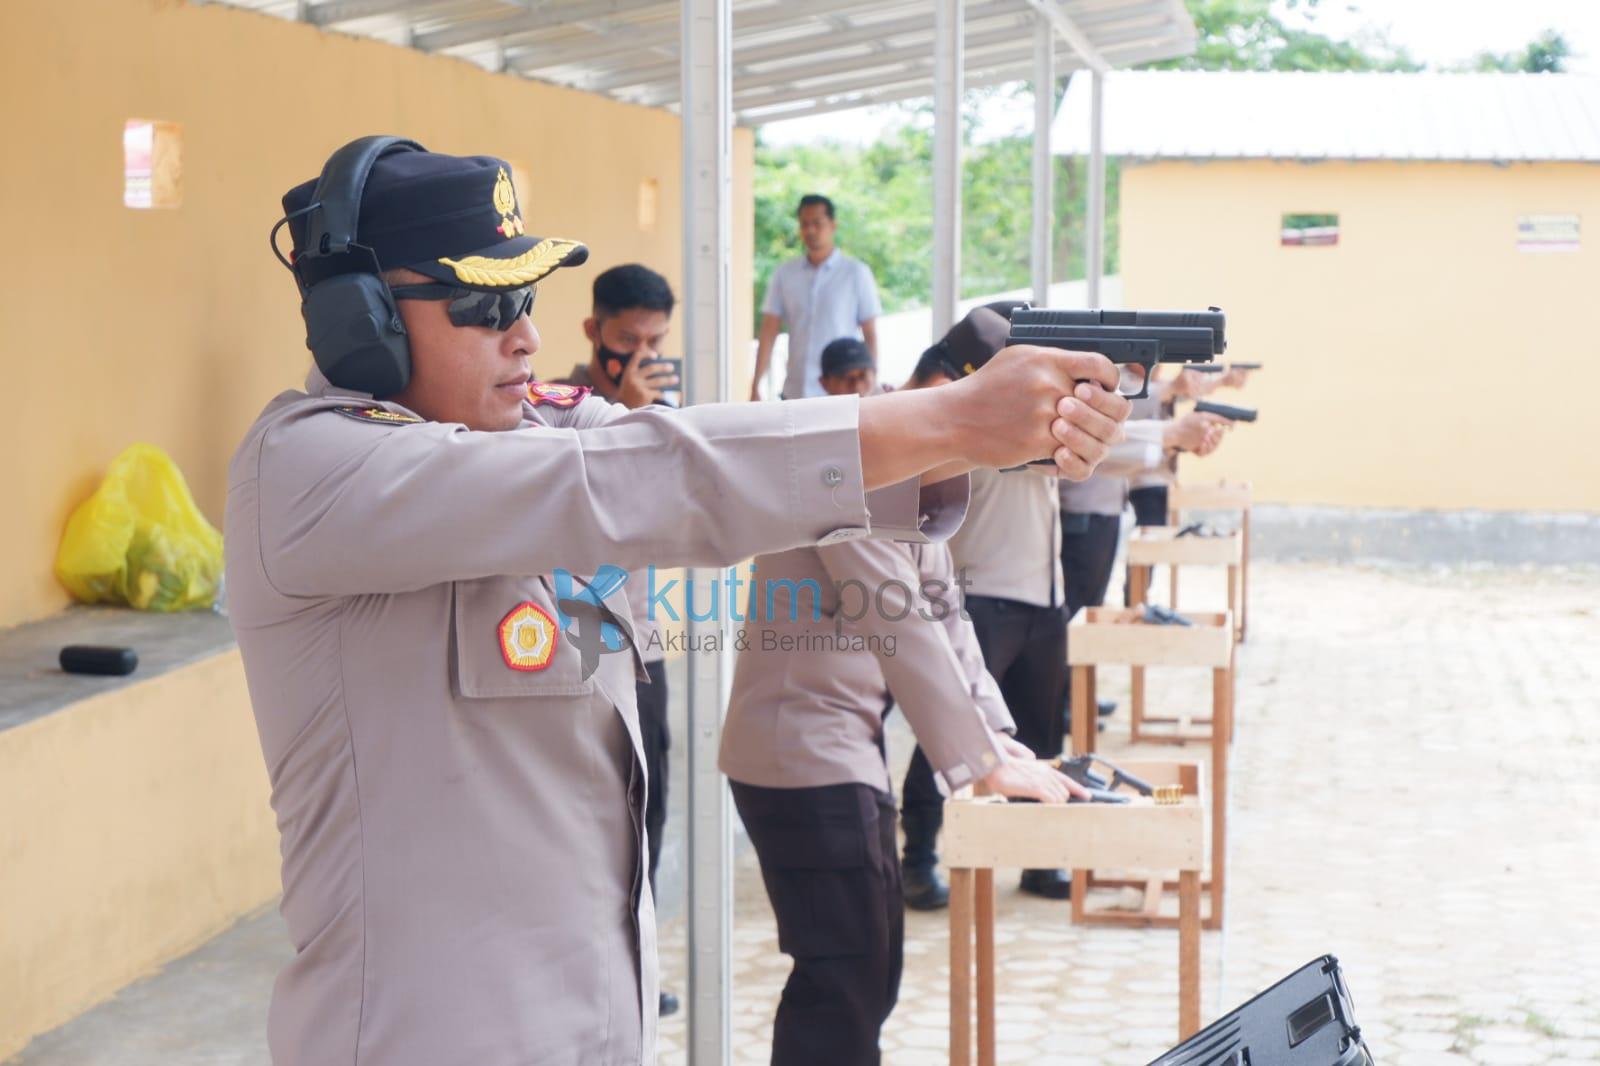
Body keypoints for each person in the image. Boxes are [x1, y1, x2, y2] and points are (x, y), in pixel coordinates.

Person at [226, 137, 1131, 1066]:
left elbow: (697, 456)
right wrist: (953, 417)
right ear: (361, 320)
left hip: (596, 1024)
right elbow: (641, 479)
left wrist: (989, 438)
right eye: (482, 303)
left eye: (526, 299)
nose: (525, 334)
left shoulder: (531, 428)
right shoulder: (310, 470)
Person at [719, 366, 1086, 1066]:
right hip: (798, 754)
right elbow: (901, 620)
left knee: (871, 972)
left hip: (838, 753)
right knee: (844, 980)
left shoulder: (921, 466)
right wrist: (978, 763)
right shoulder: (851, 462)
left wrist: (1001, 745)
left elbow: (947, 614)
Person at [555, 262, 683, 1017]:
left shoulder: (656, 409)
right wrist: (630, 423)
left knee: (647, 810)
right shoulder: (554, 406)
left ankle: (639, 968)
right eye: (624, 340)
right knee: (585, 816)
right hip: (579, 641)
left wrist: (647, 418)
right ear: (592, 332)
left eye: (654, 341)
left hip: (644, 643)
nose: (637, 356)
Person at [751, 194, 882, 401]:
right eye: (804, 224)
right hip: (796, 389)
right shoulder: (785, 274)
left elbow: (870, 334)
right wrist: (755, 384)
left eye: (817, 223)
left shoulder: (855, 273)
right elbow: (769, 330)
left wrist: (871, 384)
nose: (810, 230)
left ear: (833, 225)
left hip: (842, 391)